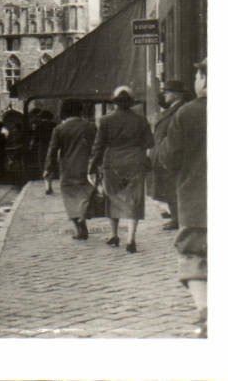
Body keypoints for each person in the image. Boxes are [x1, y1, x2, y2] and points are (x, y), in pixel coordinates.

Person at [159, 57, 207, 337]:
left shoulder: (188, 113)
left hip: (198, 200)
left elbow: (170, 157)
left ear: (204, 79)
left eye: (198, 75)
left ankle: (206, 311)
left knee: (194, 255)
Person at [88, 85, 153, 253]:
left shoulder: (105, 120)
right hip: (135, 161)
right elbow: (149, 143)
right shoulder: (141, 120)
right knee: (134, 199)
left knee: (113, 197)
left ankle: (114, 234)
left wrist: (92, 167)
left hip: (113, 162)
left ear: (114, 102)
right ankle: (131, 238)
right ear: (131, 103)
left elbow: (98, 146)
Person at [44, 100, 96, 240]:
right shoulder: (90, 126)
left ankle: (79, 227)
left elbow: (52, 150)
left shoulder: (60, 129)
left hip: (67, 168)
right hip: (86, 165)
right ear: (80, 110)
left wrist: (48, 168)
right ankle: (83, 215)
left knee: (70, 199)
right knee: (85, 193)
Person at [148, 80, 188, 230]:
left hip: (172, 155)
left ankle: (178, 219)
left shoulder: (180, 109)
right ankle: (175, 217)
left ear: (177, 95)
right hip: (164, 154)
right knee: (168, 187)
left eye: (168, 92)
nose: (164, 95)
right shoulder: (172, 108)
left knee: (173, 188)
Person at [31, 110, 57, 194]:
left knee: (43, 165)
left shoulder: (39, 126)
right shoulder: (54, 125)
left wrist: (31, 145)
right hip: (52, 147)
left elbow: (35, 139)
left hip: (42, 147)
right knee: (51, 164)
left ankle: (46, 185)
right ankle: (49, 184)